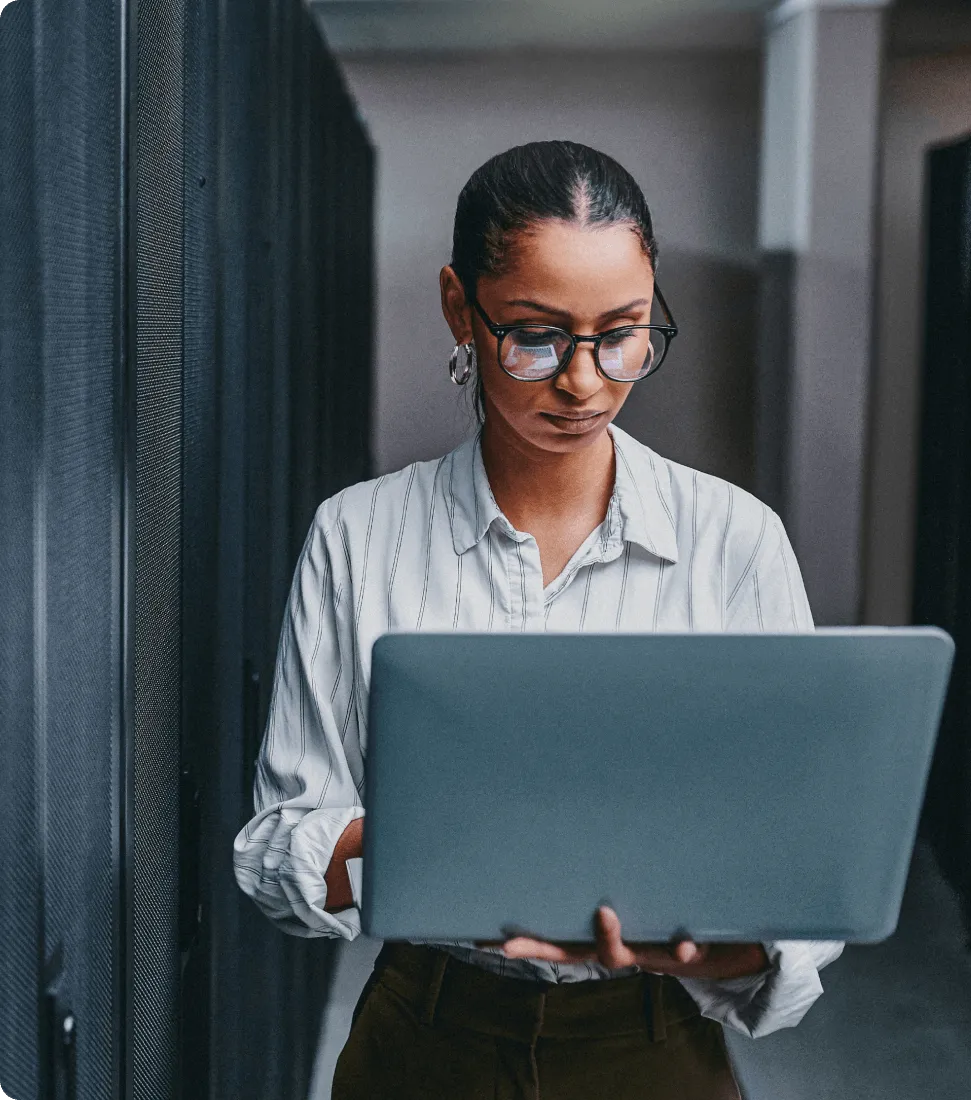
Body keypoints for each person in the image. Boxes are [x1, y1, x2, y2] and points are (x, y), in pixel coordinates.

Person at [232, 139, 844, 1099]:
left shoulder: (735, 541)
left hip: (651, 1039)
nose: (584, 381)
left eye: (624, 332)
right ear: (458, 309)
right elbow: (278, 850)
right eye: (537, 335)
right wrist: (430, 849)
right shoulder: (357, 535)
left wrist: (702, 948)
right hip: (426, 1036)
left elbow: (803, 881)